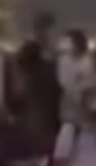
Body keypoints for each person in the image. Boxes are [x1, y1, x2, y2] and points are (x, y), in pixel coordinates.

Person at [11, 11, 61, 148]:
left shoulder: (56, 53)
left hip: (50, 101)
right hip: (35, 100)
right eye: (42, 28)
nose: (45, 33)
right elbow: (20, 69)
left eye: (48, 28)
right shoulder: (30, 49)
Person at [56, 29, 93, 126]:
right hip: (68, 110)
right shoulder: (64, 61)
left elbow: (88, 85)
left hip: (82, 111)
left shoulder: (86, 63)